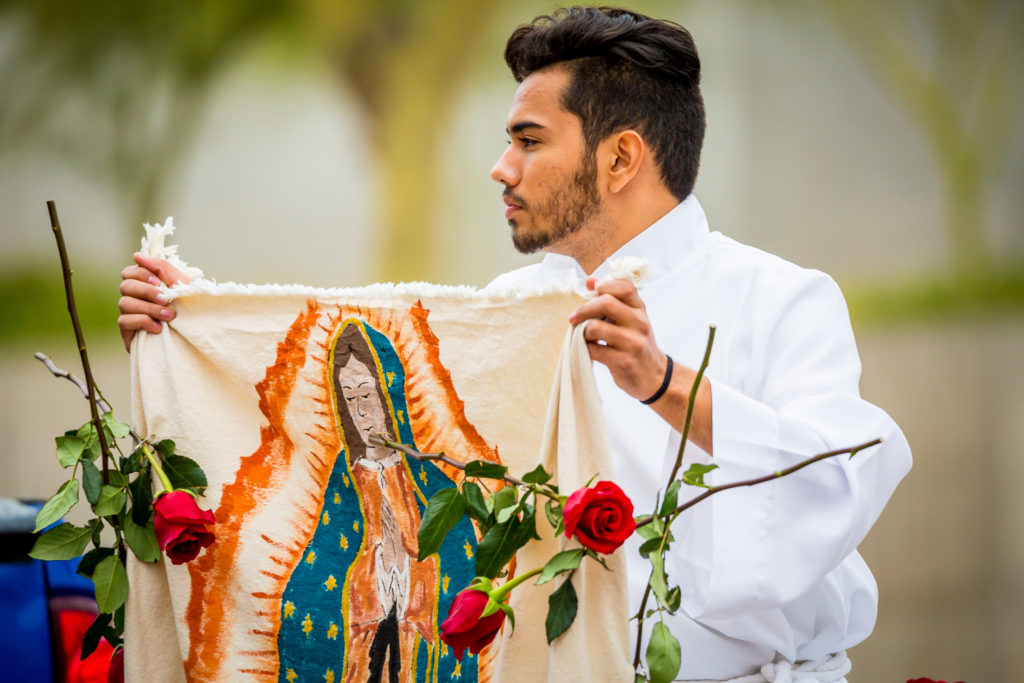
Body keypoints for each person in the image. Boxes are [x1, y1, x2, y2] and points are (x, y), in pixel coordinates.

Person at [118, 6, 911, 681]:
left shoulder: (782, 298)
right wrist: (189, 328)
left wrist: (662, 379)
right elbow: (371, 426)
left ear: (621, 156)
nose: (501, 169)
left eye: (529, 141)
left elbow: (837, 481)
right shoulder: (512, 309)